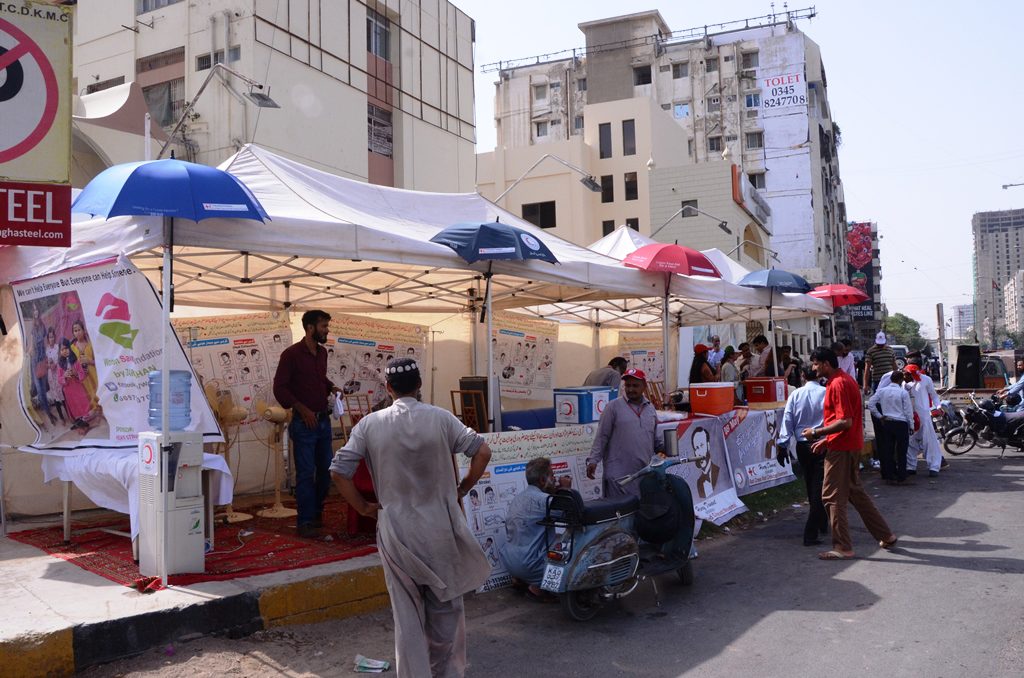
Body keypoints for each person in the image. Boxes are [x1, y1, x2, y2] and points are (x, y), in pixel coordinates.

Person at [329, 357, 492, 678]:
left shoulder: (370, 424)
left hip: (397, 534)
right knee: (447, 612)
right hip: (441, 530)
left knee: (408, 620)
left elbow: (339, 471)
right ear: (419, 385)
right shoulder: (442, 419)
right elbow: (482, 451)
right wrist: (462, 488)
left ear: (388, 388)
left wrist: (363, 508)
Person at [802, 346, 897, 560]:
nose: (813, 368)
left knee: (832, 496)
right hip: (846, 444)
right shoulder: (842, 381)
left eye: (816, 364)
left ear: (826, 364)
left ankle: (842, 546)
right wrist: (826, 440)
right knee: (855, 493)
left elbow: (845, 421)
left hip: (842, 448)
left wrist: (817, 432)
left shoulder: (838, 384)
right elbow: (845, 421)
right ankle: (886, 535)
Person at [273, 310, 340, 537]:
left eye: (327, 326)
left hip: (323, 422)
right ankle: (305, 522)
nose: (327, 330)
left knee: (326, 470)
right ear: (310, 328)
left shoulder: (322, 353)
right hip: (304, 424)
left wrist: (331, 386)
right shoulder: (290, 355)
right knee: (305, 473)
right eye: (323, 326)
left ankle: (316, 511)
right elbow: (280, 388)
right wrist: (302, 409)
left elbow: (318, 378)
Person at [500, 457, 570, 602]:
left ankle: (521, 579)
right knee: (571, 566)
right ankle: (537, 588)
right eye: (552, 476)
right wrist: (566, 489)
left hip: (509, 561)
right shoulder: (543, 500)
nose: (555, 479)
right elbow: (569, 513)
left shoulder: (518, 497)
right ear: (542, 481)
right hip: (528, 565)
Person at [586, 368, 663, 499]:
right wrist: (593, 460)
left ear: (644, 386)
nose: (630, 389)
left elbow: (655, 440)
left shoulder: (650, 409)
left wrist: (668, 445)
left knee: (642, 514)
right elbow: (601, 436)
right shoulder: (612, 407)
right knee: (620, 515)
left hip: (643, 474)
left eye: (635, 385)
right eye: (627, 385)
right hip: (618, 478)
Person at [778, 365, 827, 546]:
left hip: (802, 445)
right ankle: (811, 532)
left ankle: (821, 522)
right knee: (819, 488)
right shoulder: (826, 392)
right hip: (821, 443)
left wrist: (782, 445)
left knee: (811, 484)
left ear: (803, 375)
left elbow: (788, 419)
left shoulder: (796, 394)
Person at [867, 370, 915, 484]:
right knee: (901, 451)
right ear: (900, 380)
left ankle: (889, 475)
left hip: (887, 422)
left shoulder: (882, 391)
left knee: (888, 450)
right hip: (901, 423)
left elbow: (871, 404)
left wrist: (880, 416)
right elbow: (908, 411)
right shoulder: (903, 393)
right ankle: (901, 476)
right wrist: (911, 425)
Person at [904, 363, 944, 477]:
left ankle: (934, 467)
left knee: (929, 442)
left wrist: (938, 406)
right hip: (910, 416)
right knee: (910, 441)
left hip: (924, 417)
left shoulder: (926, 380)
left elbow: (934, 395)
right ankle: (911, 466)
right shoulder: (903, 383)